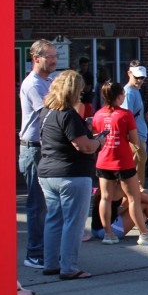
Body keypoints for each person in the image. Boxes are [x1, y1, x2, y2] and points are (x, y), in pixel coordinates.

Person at [37, 70, 103, 280]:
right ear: (73, 91)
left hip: (48, 172)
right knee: (73, 223)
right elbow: (84, 146)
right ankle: (69, 268)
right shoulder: (68, 114)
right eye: (80, 91)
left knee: (54, 219)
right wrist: (98, 141)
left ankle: (51, 264)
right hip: (71, 174)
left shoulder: (47, 112)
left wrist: (86, 131)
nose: (82, 94)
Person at [92, 81, 148, 245]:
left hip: (103, 160)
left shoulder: (98, 114)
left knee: (105, 198)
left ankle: (108, 234)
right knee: (134, 199)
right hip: (122, 161)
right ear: (119, 96)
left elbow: (96, 136)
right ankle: (144, 234)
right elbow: (134, 140)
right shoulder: (125, 114)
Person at [19, 39, 57, 269]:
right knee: (37, 204)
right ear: (36, 58)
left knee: (48, 203)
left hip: (44, 148)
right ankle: (35, 253)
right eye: (49, 57)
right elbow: (49, 114)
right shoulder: (33, 84)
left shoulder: (48, 81)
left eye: (55, 56)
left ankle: (46, 250)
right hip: (34, 149)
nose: (54, 61)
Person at [121, 60, 148, 186]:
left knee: (139, 168)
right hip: (135, 136)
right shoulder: (128, 93)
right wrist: (134, 140)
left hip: (139, 134)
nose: (139, 80)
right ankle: (137, 194)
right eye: (137, 77)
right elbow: (127, 118)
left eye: (142, 78)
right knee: (136, 173)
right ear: (129, 73)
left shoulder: (135, 90)